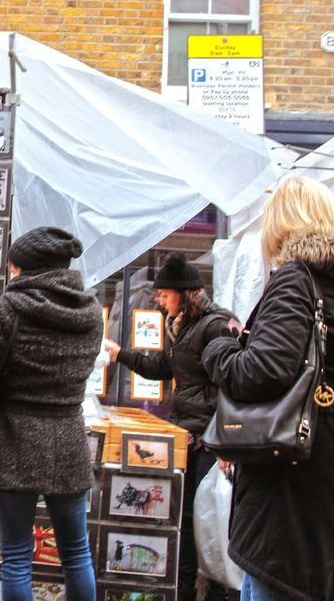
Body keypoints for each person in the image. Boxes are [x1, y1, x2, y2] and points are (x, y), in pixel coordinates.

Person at [200, 177, 334, 601]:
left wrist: (220, 345)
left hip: (297, 492)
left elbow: (261, 371)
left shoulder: (298, 278)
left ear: (280, 224)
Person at [0, 227, 102, 601]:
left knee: (16, 559)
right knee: (76, 554)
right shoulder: (92, 311)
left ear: (26, 270)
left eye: (14, 268)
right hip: (68, 436)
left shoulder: (10, 307)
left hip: (15, 435)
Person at [103, 253, 232, 601]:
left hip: (207, 441)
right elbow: (163, 367)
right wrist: (121, 355)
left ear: (184, 292)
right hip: (187, 436)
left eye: (164, 294)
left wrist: (223, 441)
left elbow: (228, 385)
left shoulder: (214, 326)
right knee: (185, 519)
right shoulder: (183, 326)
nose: (159, 300)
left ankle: (214, 593)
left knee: (202, 521)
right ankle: (185, 589)